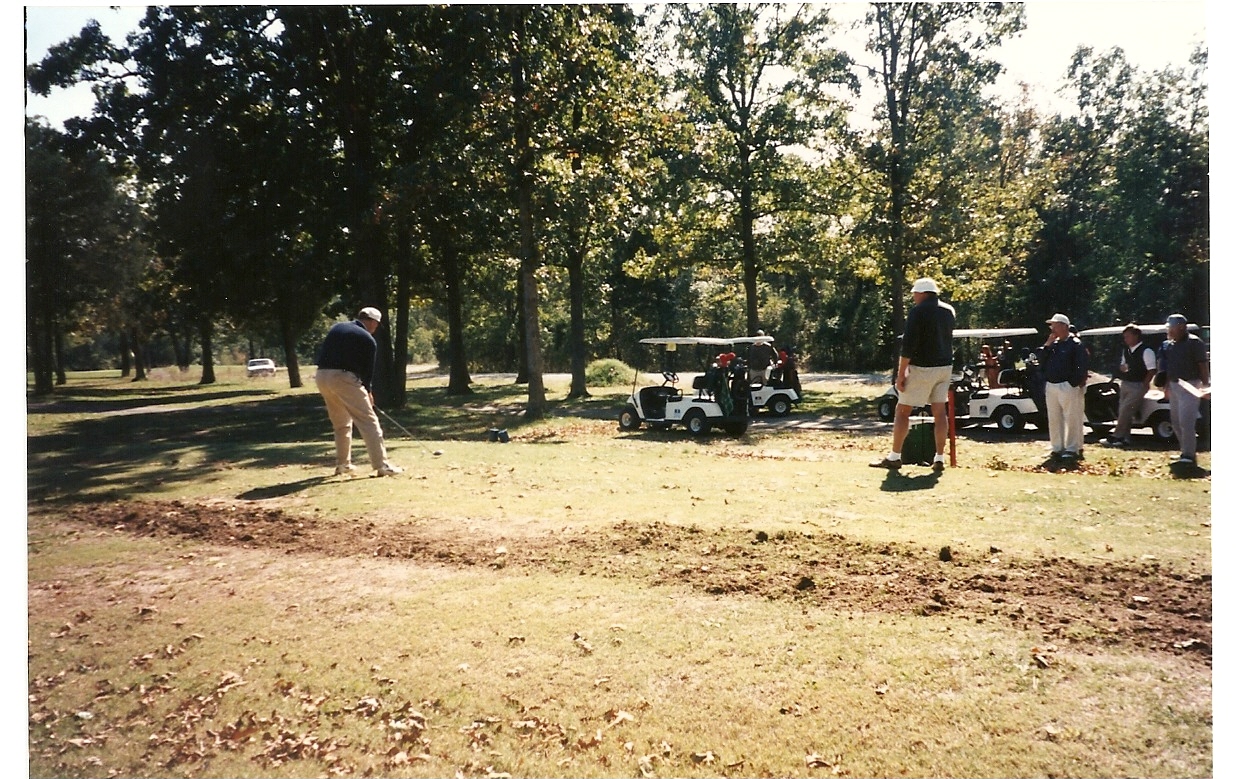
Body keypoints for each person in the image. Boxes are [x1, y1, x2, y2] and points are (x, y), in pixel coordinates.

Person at [870, 278, 956, 473]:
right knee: (939, 412)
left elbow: (908, 346)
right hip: (944, 366)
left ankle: (895, 456)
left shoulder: (917, 312)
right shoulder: (949, 311)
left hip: (922, 367)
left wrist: (901, 374)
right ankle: (939, 457)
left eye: (915, 294)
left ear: (922, 293)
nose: (914, 298)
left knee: (902, 410)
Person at [315, 307, 404, 477]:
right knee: (368, 421)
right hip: (342, 377)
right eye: (376, 324)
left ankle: (343, 464)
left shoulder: (337, 327)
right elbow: (367, 372)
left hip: (321, 376)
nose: (375, 328)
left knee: (341, 423)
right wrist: (368, 392)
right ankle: (381, 465)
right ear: (372, 321)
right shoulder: (368, 339)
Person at [1156, 313, 1209, 467]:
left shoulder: (1194, 342)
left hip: (1190, 384)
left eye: (1171, 328)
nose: (1169, 331)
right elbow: (1169, 367)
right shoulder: (1170, 345)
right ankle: (1184, 451)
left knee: (1186, 421)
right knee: (1176, 421)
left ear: (1181, 327)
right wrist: (1166, 386)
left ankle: (1189, 455)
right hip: (1174, 385)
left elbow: (1202, 365)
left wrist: (1205, 385)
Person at [1036, 313, 1089, 467]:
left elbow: (1081, 365)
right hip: (1052, 385)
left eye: (1055, 325)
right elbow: (1040, 359)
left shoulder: (1075, 344)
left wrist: (1073, 383)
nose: (1052, 328)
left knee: (1072, 417)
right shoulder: (1054, 344)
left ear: (1064, 326)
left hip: (1067, 385)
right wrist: (1047, 344)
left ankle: (1072, 448)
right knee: (1054, 417)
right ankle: (1057, 447)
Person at [1102, 323, 1157, 448]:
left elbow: (1152, 369)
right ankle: (1125, 438)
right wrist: (1122, 369)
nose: (1125, 339)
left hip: (1138, 385)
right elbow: (1124, 365)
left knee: (1125, 410)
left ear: (1136, 336)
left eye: (1128, 336)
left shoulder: (1146, 350)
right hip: (1126, 383)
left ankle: (1115, 436)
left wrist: (1144, 384)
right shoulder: (1126, 350)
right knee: (1124, 411)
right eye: (1124, 337)